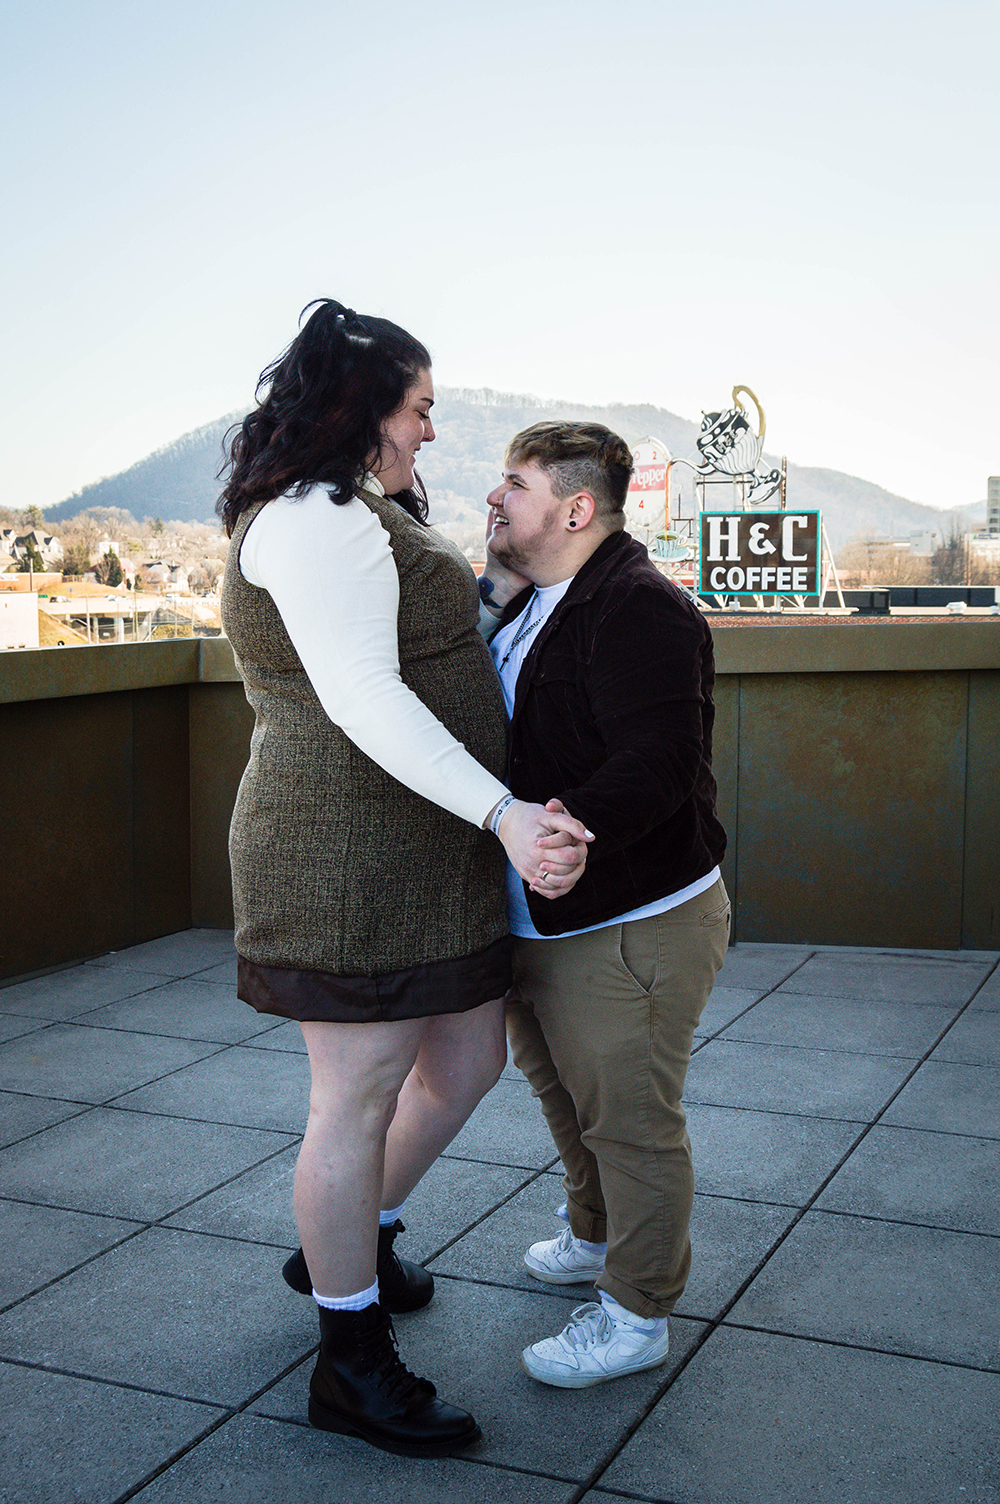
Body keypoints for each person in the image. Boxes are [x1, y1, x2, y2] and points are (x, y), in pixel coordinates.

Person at [217, 302, 591, 1455]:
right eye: (420, 408)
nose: (431, 431)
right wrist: (505, 810)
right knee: (356, 1094)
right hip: (343, 853)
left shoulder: (359, 508)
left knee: (470, 1054)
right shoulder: (314, 516)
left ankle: (350, 1236)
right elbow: (364, 696)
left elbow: (420, 648)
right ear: (361, 408)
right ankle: (350, 1354)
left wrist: (492, 594)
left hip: (420, 844)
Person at [478, 420, 729, 1388]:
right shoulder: (534, 596)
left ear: (577, 508)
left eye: (515, 485)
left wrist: (566, 831)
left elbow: (661, 763)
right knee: (566, 1097)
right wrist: (493, 576)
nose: (495, 498)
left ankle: (636, 1311)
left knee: (629, 1119)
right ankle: (592, 1234)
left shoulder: (639, 608)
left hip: (629, 919)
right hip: (542, 915)